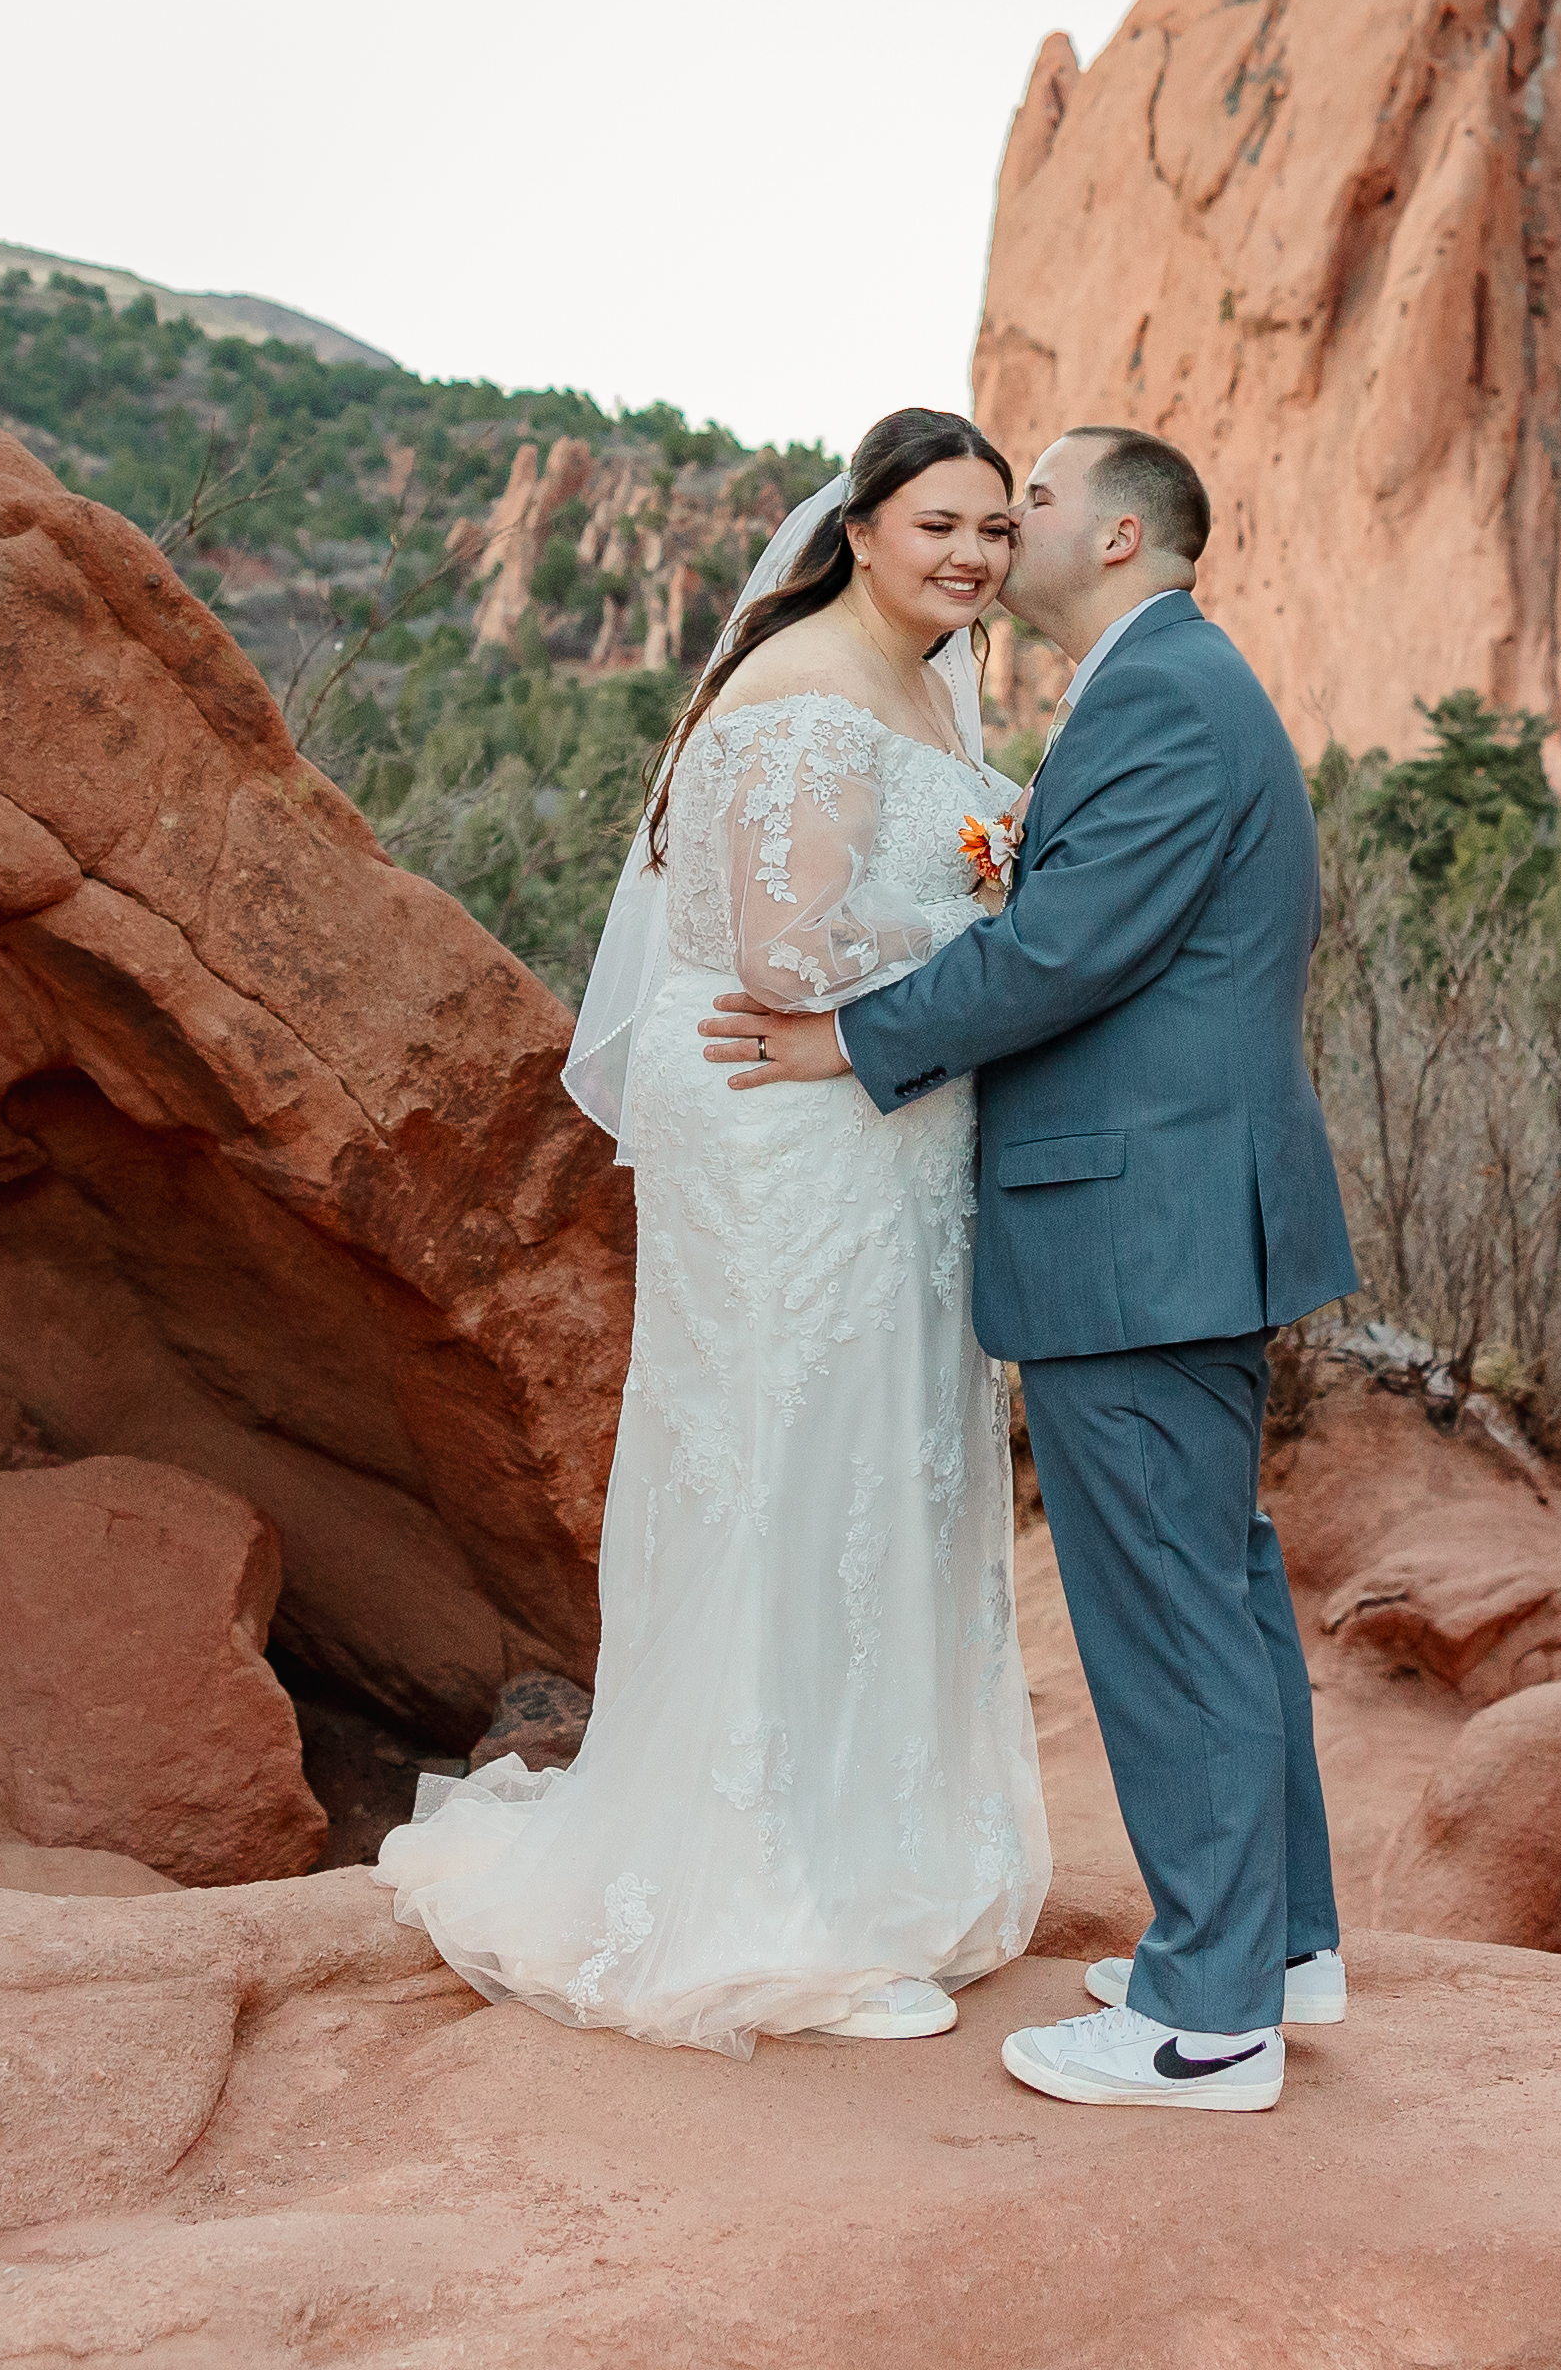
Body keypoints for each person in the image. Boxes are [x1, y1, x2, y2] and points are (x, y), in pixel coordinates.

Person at [371, 407, 1051, 2052]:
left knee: (884, 1457)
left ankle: (868, 1851)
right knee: (784, 1453)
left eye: (993, 532)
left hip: (883, 1122)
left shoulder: (922, 682)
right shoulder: (811, 687)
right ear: (865, 526)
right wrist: (1000, 902)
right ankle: (759, 1899)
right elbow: (786, 949)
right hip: (785, 1119)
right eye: (939, 525)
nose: (968, 555)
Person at [700, 423, 1355, 2116]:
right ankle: (1276, 1949)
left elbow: (1064, 949)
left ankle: (1209, 2022)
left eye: (1033, 506)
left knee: (1164, 1602)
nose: (1006, 537)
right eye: (971, 515)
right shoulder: (1178, 686)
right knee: (1212, 1577)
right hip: (1180, 1206)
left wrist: (851, 1039)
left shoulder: (1154, 699)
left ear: (1120, 539)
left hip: (1135, 1218)